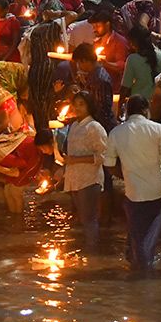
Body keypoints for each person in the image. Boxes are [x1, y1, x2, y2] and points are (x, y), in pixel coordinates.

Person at [106, 95, 161, 272]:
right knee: (149, 231)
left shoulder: (116, 133)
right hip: (156, 190)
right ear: (146, 110)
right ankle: (143, 268)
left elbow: (108, 165)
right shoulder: (157, 129)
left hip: (133, 191)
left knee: (137, 230)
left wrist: (126, 175)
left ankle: (136, 261)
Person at [62, 91, 109, 248]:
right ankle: (87, 248)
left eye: (81, 104)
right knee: (83, 218)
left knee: (89, 219)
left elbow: (104, 155)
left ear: (89, 106)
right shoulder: (75, 125)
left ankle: (92, 251)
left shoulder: (94, 127)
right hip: (75, 177)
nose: (77, 108)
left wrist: (76, 160)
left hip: (89, 179)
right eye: (75, 104)